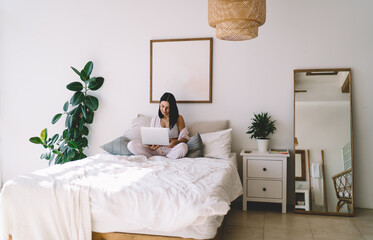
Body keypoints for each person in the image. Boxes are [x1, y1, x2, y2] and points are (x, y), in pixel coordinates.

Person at [127, 92, 189, 159]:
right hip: (155, 151)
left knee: (183, 147)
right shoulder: (155, 118)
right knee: (131, 145)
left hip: (171, 151)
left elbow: (185, 138)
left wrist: (176, 142)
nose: (164, 110)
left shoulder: (179, 118)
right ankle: (155, 157)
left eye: (167, 108)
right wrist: (151, 146)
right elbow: (151, 139)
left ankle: (164, 158)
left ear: (172, 107)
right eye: (162, 106)